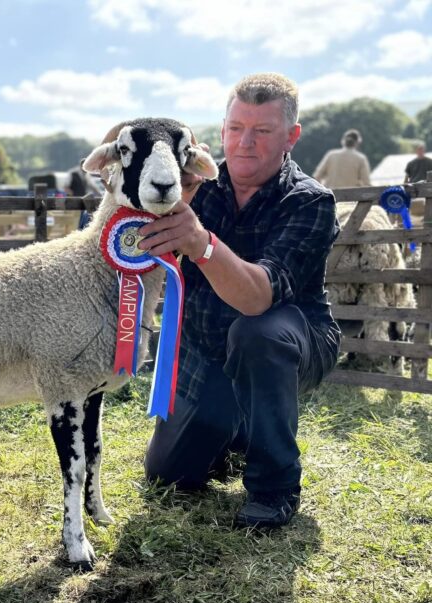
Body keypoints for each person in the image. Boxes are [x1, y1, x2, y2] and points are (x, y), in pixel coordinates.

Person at [138, 72, 341, 529]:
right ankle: (236, 432)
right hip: (205, 347)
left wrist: (201, 243)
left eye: (262, 131)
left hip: (289, 340)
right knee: (167, 476)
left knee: (257, 333)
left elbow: (258, 298)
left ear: (291, 136)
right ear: (222, 128)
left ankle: (275, 488)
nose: (244, 143)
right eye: (235, 128)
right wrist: (161, 205)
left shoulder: (310, 201)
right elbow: (134, 238)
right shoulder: (194, 186)